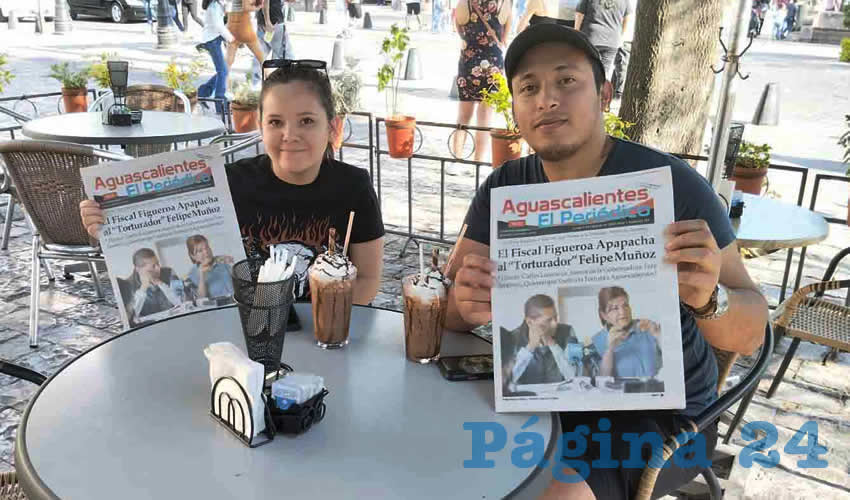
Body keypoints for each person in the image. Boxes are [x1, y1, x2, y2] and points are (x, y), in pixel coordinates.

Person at [445, 22, 768, 499]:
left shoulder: (670, 186)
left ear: (605, 94)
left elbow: (752, 330)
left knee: (558, 493)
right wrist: (464, 301)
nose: (546, 99)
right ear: (514, 108)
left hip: (666, 418)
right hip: (544, 393)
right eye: (528, 88)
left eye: (566, 81)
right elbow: (450, 314)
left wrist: (709, 299)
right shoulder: (504, 189)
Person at [81, 62, 385, 305]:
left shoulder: (353, 187)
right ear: (260, 126)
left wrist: (321, 319)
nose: (290, 135)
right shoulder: (229, 181)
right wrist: (106, 223)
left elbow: (368, 281)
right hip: (243, 334)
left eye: (306, 120)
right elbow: (153, 228)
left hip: (326, 335)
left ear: (332, 127)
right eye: (276, 122)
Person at [452, 0, 512, 162]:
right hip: (492, 65)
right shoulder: (503, 4)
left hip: (468, 62)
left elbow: (457, 26)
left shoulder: (464, 3)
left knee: (463, 115)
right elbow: (505, 38)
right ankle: (478, 161)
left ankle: (456, 158)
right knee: (485, 117)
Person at [503, 294, 581, 385]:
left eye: (555, 318)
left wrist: (553, 345)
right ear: (529, 322)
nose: (555, 324)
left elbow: (576, 377)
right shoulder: (511, 337)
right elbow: (506, 381)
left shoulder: (570, 331)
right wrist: (530, 347)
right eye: (548, 320)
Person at [592, 286, 662, 378]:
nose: (623, 312)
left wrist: (658, 335)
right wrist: (609, 350)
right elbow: (602, 381)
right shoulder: (596, 342)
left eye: (625, 305)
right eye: (615, 308)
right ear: (604, 315)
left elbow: (674, 358)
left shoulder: (647, 327)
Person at [574, 0, 634, 79]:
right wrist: (620, 35)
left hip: (591, 37)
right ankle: (599, 90)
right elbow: (626, 19)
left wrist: (576, 33)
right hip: (612, 41)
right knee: (604, 72)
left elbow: (579, 15)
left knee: (586, 69)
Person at [197, 0, 234, 114]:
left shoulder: (218, 5)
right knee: (222, 71)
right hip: (211, 40)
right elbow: (218, 26)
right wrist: (231, 39)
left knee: (222, 71)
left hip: (214, 39)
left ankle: (203, 93)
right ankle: (220, 103)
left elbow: (222, 23)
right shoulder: (214, 6)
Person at [126, 248, 181, 322]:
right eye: (153, 266)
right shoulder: (128, 285)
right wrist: (143, 288)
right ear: (138, 269)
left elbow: (182, 302)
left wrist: (161, 284)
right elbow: (131, 318)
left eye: (158, 264)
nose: (158, 269)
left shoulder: (169, 272)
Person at [251, 0, 295, 88]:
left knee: (260, 55)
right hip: (274, 23)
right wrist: (268, 22)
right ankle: (280, 85)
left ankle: (256, 84)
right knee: (284, 56)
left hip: (264, 22)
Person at [226, 0, 266, 93]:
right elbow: (246, 7)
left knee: (228, 62)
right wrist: (259, 7)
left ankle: (225, 89)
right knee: (262, 58)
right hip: (244, 27)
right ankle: (268, 85)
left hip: (232, 24)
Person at [185, 235, 235, 299]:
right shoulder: (191, 275)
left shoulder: (223, 262)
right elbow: (200, 299)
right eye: (200, 251)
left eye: (207, 247)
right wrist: (202, 277)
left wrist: (233, 264)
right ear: (193, 256)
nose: (206, 252)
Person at [610, 0, 635, 100]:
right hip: (624, 38)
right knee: (619, 66)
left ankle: (618, 94)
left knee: (621, 66)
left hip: (624, 39)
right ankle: (615, 92)